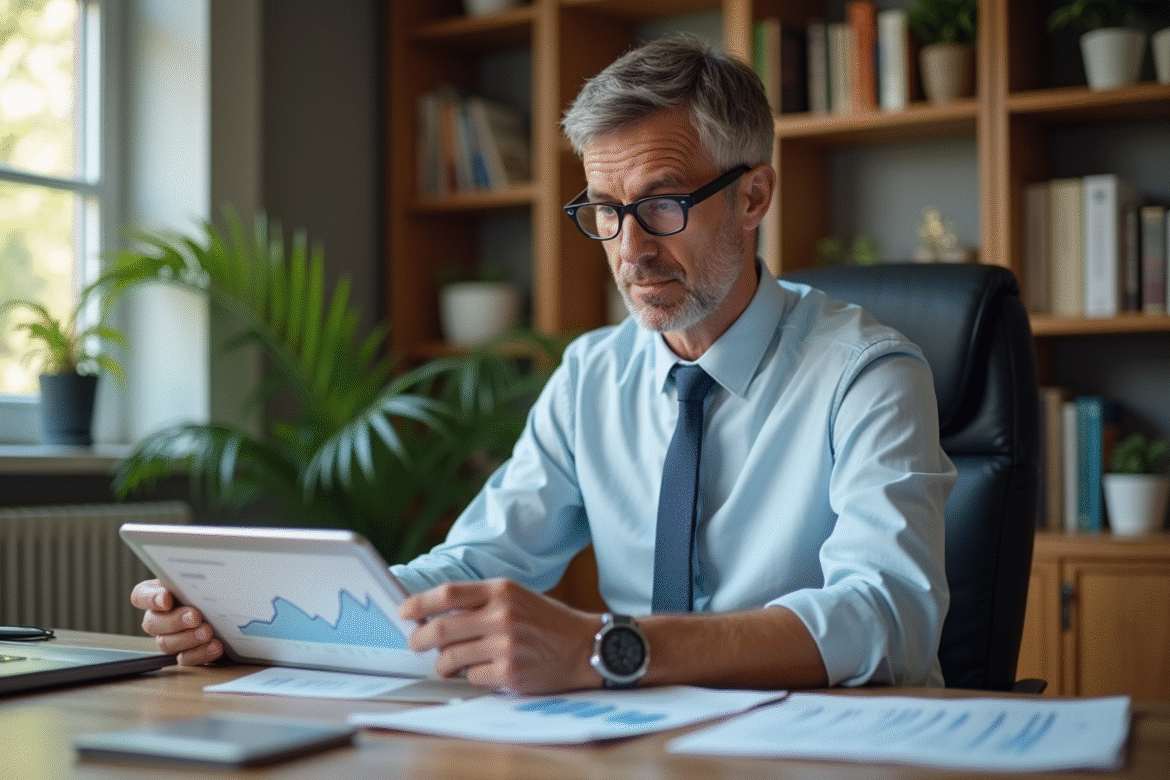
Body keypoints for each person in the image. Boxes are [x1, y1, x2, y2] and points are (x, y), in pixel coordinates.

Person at [132, 34, 955, 696]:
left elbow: (888, 616)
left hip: (825, 746)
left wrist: (610, 647)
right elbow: (479, 561)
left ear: (753, 198)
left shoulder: (869, 375)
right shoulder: (592, 375)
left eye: (662, 204)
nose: (630, 249)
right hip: (641, 742)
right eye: (605, 210)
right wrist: (255, 616)